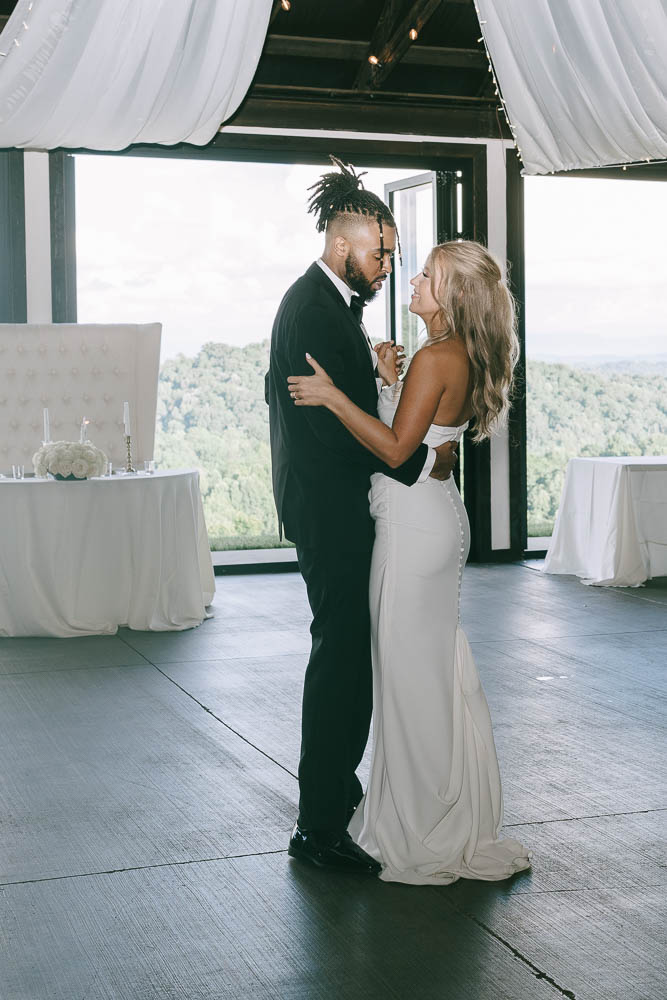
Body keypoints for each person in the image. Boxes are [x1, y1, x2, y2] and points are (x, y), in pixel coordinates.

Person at [287, 239, 533, 885]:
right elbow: (426, 437)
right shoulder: (444, 356)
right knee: (424, 671)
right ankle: (438, 808)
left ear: (450, 297)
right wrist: (390, 382)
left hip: (413, 529)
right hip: (433, 518)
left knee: (409, 678)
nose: (414, 279)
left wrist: (335, 396)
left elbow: (397, 451)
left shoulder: (436, 355)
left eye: (428, 274)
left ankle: (423, 824)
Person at [265, 159, 459, 875]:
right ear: (345, 241)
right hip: (332, 511)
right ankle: (319, 826)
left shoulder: (325, 304)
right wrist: (417, 462)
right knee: (341, 663)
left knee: (344, 657)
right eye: (381, 252)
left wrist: (377, 382)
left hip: (330, 505)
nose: (386, 265)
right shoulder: (317, 309)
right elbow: (332, 431)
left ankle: (333, 798)